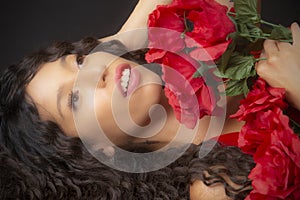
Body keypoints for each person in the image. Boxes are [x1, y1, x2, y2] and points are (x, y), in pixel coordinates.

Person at [0, 0, 299, 199]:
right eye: (74, 98)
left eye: (78, 62)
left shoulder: (210, 52)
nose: (94, 72)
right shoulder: (216, 186)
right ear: (91, 151)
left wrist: (121, 40)